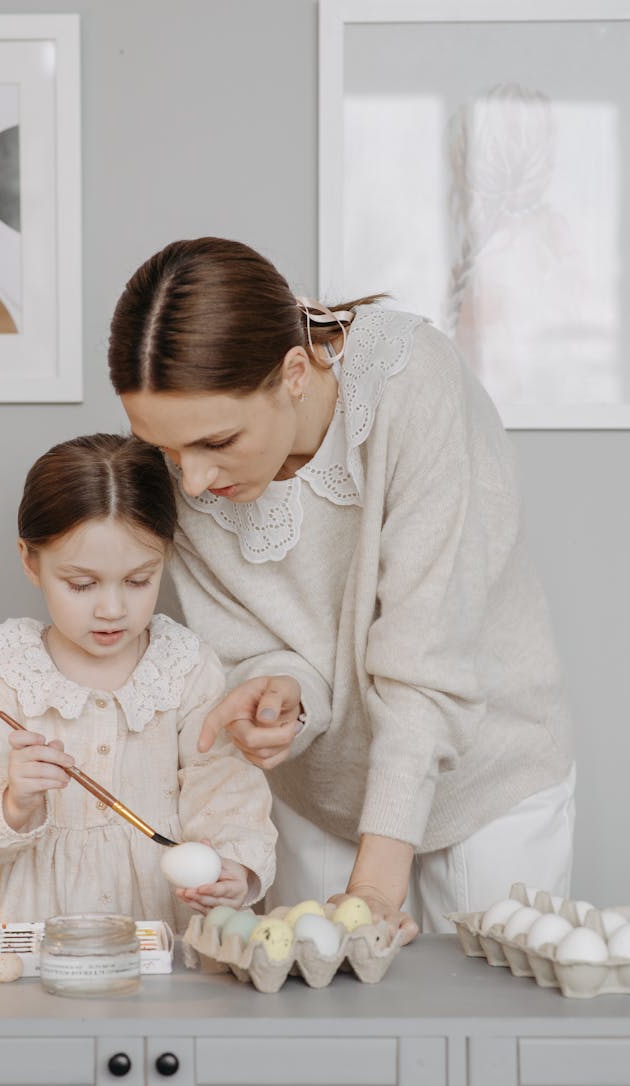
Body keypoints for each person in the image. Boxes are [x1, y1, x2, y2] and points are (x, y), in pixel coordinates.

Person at [107, 236, 576, 942]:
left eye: (215, 442)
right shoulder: (188, 473)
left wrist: (373, 888)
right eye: (168, 450)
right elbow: (262, 643)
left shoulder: (410, 385)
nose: (193, 480)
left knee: (491, 1030)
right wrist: (284, 698)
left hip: (486, 776)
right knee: (332, 1041)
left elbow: (430, 653)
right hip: (321, 795)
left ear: (294, 371)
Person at [0, 433, 276, 934]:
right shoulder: (15, 675)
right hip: (41, 922)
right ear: (29, 560)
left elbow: (226, 785)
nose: (112, 609)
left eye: (138, 581)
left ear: (165, 559)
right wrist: (13, 802)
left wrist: (234, 867)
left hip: (160, 922)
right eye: (82, 585)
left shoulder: (184, 669)